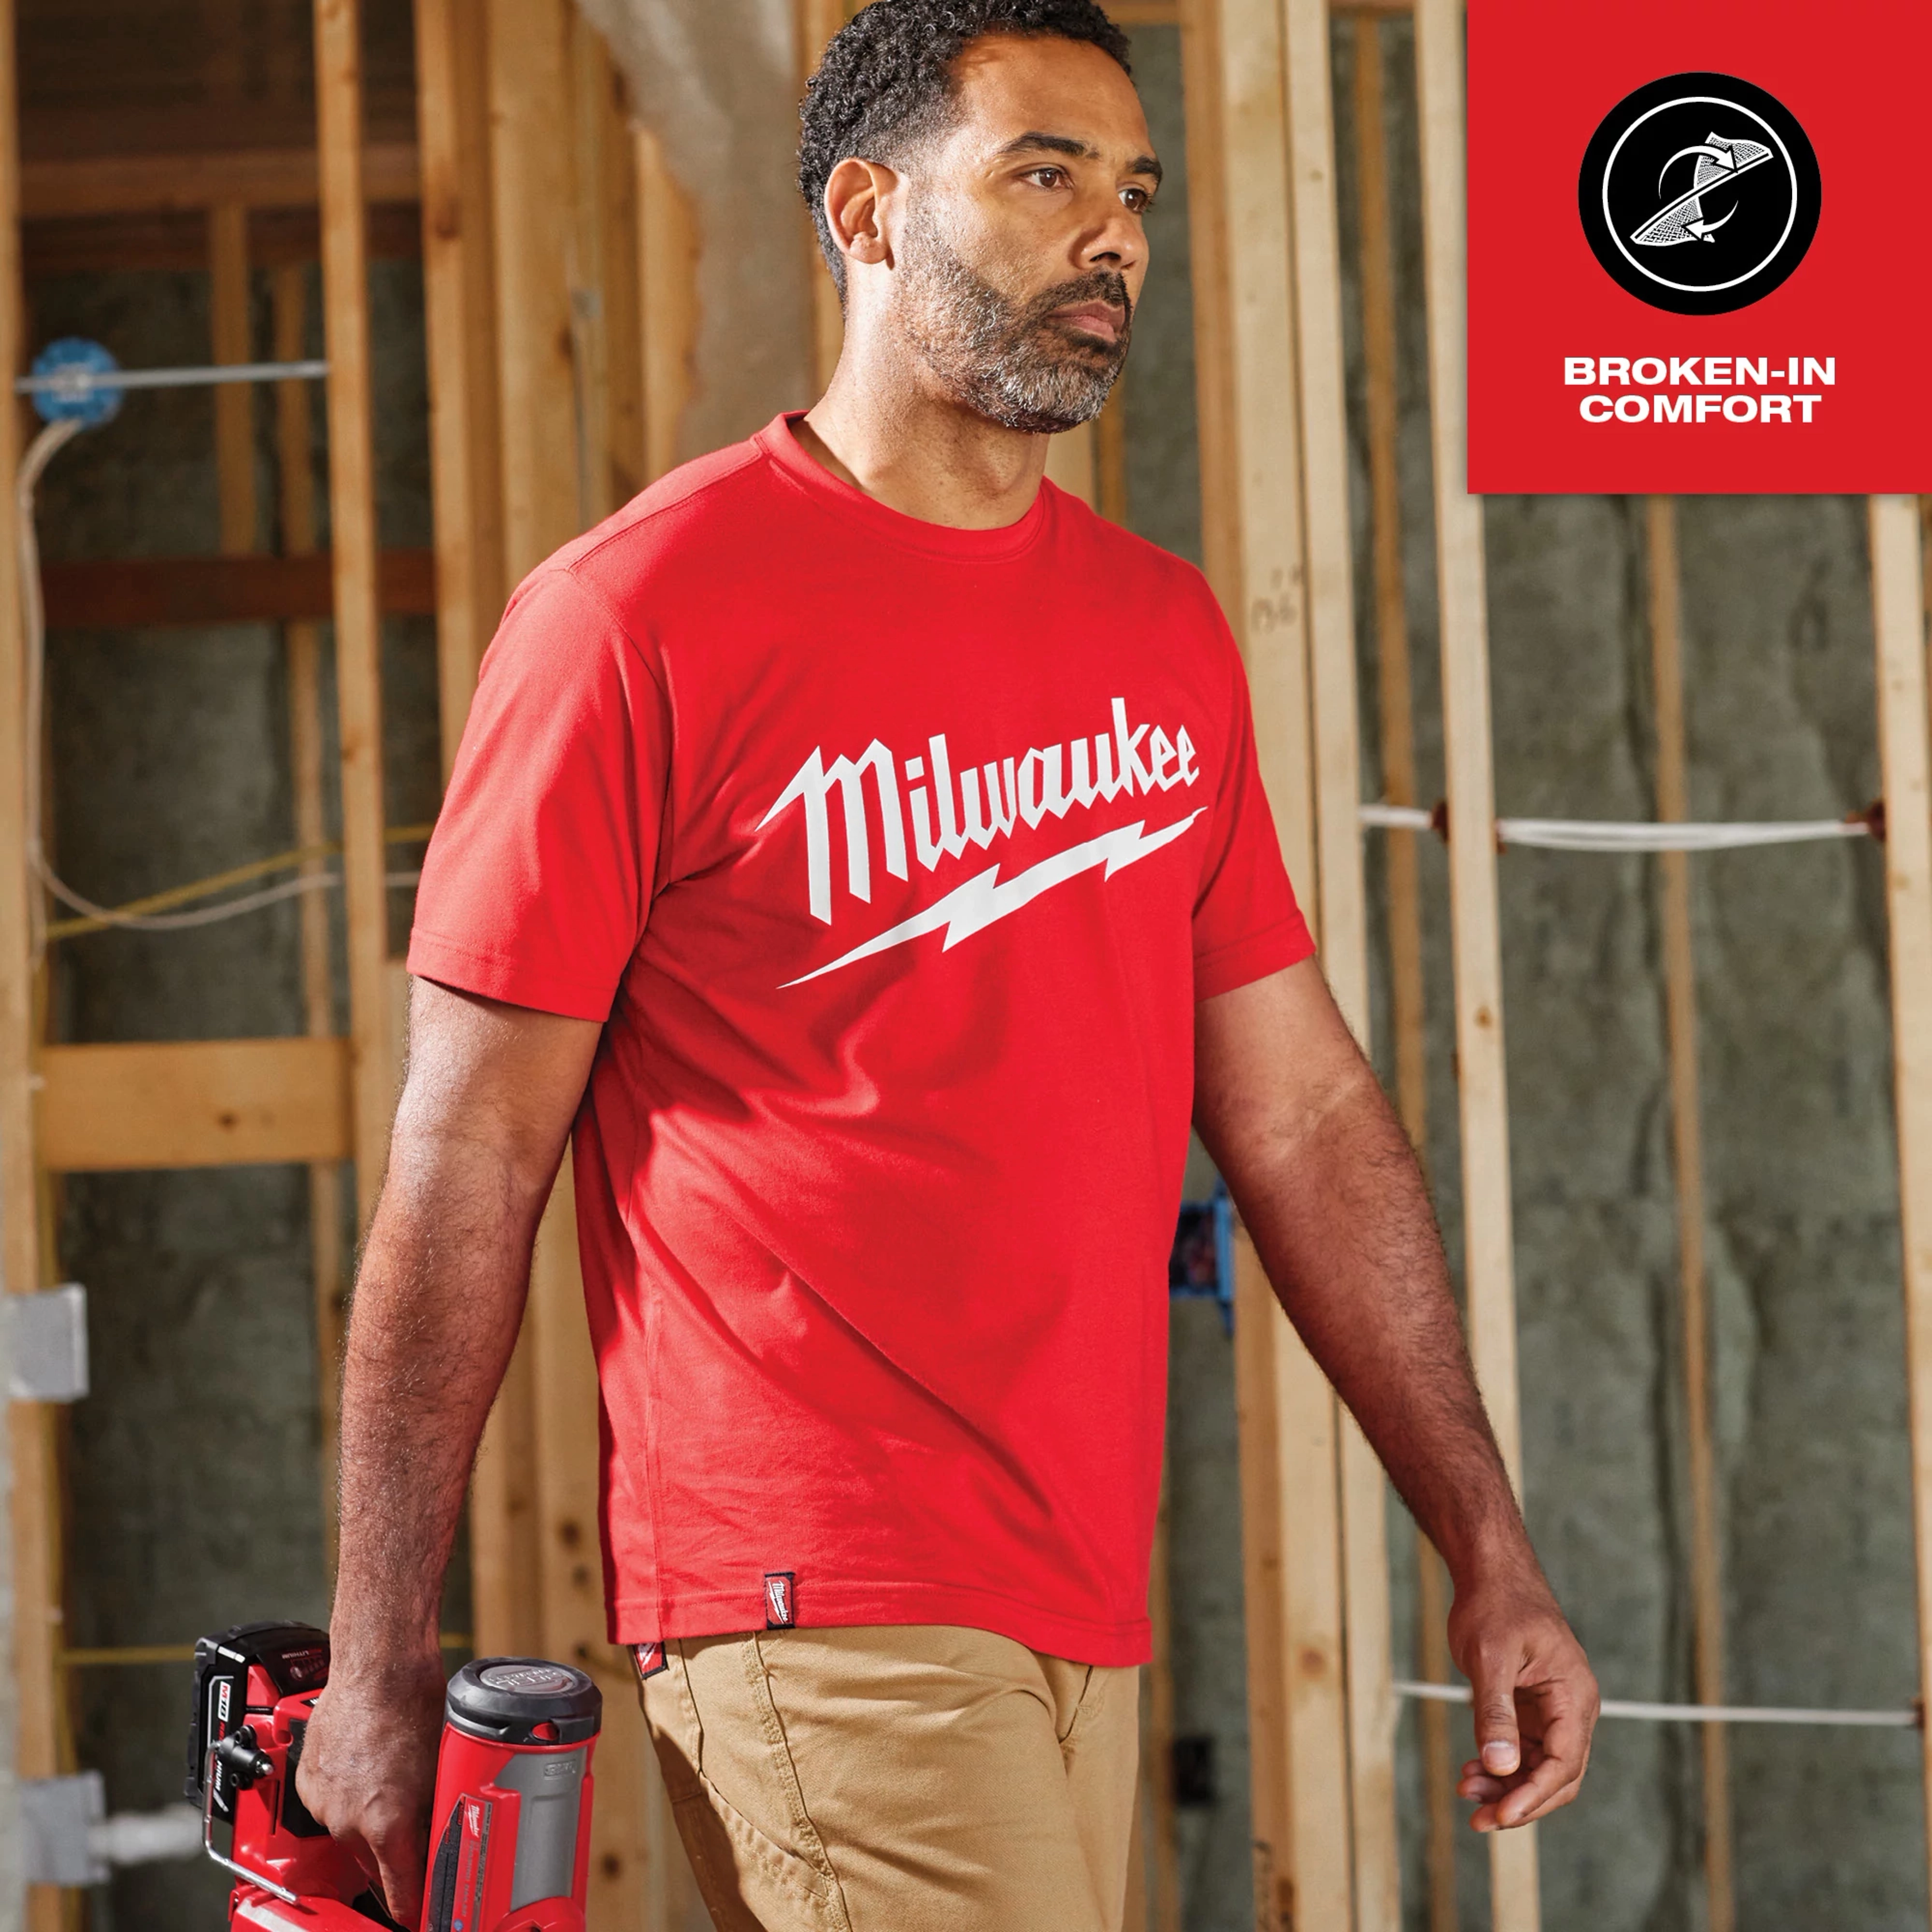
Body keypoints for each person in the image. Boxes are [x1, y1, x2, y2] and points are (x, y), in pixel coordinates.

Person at [297, 0, 1599, 1925]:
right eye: (1043, 173)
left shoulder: (1158, 640)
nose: (1115, 237)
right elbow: (465, 1151)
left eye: (1135, 189)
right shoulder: (633, 621)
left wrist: (1486, 1540)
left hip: (1077, 1600)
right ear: (865, 212)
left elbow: (1308, 1118)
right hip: (809, 1599)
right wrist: (379, 1642)